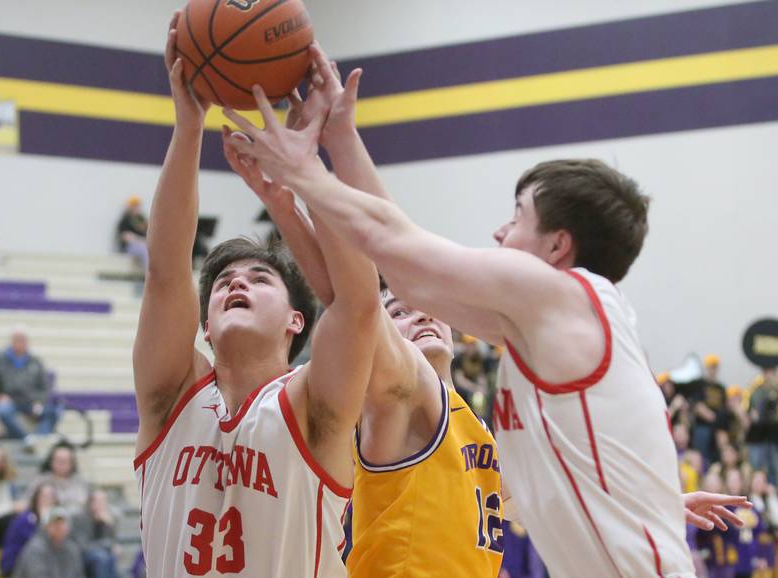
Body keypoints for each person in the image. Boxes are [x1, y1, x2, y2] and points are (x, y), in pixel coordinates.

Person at [223, 44, 750, 578]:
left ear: (556, 247)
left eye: (517, 215)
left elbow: (397, 257)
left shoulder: (559, 296)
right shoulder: (544, 337)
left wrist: (301, 170)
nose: (500, 231)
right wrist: (338, 138)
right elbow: (398, 280)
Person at [224, 65, 504, 572]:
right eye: (400, 311)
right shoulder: (401, 393)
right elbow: (356, 300)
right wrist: (302, 184)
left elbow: (502, 506)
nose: (419, 313)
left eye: (424, 309)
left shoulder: (471, 422)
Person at [132, 13, 380, 577]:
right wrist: (188, 125)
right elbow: (167, 271)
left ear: (297, 321)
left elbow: (357, 303)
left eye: (259, 279)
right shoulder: (172, 397)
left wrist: (305, 167)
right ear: (204, 324)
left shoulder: (312, 402)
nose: (236, 283)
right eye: (222, 284)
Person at [0, 329, 61, 443]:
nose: (20, 344)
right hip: (10, 402)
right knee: (3, 411)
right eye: (17, 340)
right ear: (11, 342)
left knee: (55, 411)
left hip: (30, 403)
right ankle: (25, 439)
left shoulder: (35, 362)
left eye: (22, 341)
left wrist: (39, 401)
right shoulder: (0, 360)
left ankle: (39, 439)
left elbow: (44, 387)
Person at [1, 481, 58, 577]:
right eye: (44, 496)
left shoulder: (58, 520)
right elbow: (36, 544)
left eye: (51, 497)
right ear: (36, 499)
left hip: (44, 565)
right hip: (16, 566)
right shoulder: (25, 519)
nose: (47, 500)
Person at [12, 506, 85, 578]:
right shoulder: (35, 548)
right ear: (46, 526)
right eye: (55, 524)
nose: (60, 527)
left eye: (62, 523)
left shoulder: (72, 549)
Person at [25, 441, 89, 518]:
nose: (62, 464)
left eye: (65, 461)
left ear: (72, 463)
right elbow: (28, 502)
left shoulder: (80, 482)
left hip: (76, 521)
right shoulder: (41, 481)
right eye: (58, 460)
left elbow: (84, 505)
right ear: (51, 461)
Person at [71, 490, 118, 578]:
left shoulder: (105, 518)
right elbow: (83, 546)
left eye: (104, 502)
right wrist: (107, 546)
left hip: (100, 554)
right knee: (101, 557)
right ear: (91, 503)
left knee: (111, 557)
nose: (103, 505)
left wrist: (108, 525)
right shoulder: (80, 518)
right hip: (80, 556)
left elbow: (112, 541)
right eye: (99, 502)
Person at [116, 195, 149, 268]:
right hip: (129, 247)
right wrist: (141, 240)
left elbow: (148, 233)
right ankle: (148, 272)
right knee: (143, 248)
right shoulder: (125, 220)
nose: (136, 208)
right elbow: (126, 237)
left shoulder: (142, 218)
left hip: (143, 243)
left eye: (137, 205)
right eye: (134, 206)